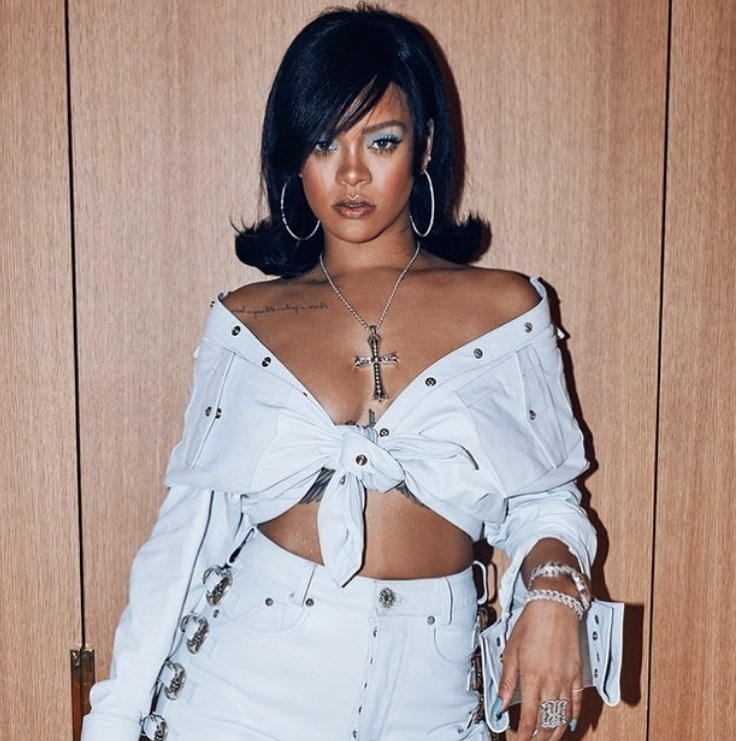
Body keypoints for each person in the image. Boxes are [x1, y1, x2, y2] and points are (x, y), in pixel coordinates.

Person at [82, 6, 607, 741]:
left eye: (381, 140)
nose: (352, 172)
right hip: (241, 700)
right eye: (324, 142)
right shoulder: (246, 320)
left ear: (425, 146)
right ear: (294, 157)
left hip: (433, 701)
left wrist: (555, 594)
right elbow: (185, 539)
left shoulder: (507, 310)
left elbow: (547, 504)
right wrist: (111, 721)